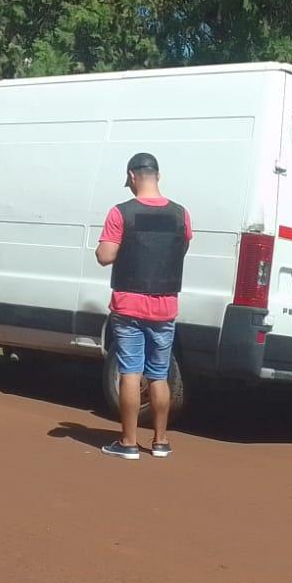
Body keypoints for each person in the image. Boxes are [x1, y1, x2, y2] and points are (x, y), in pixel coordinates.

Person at [94, 152, 192, 460]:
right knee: (159, 374)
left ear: (132, 176)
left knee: (131, 372)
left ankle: (128, 443)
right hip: (165, 306)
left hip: (129, 305)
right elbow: (183, 246)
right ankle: (161, 441)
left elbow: (104, 256)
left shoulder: (121, 213)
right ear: (158, 177)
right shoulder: (181, 214)